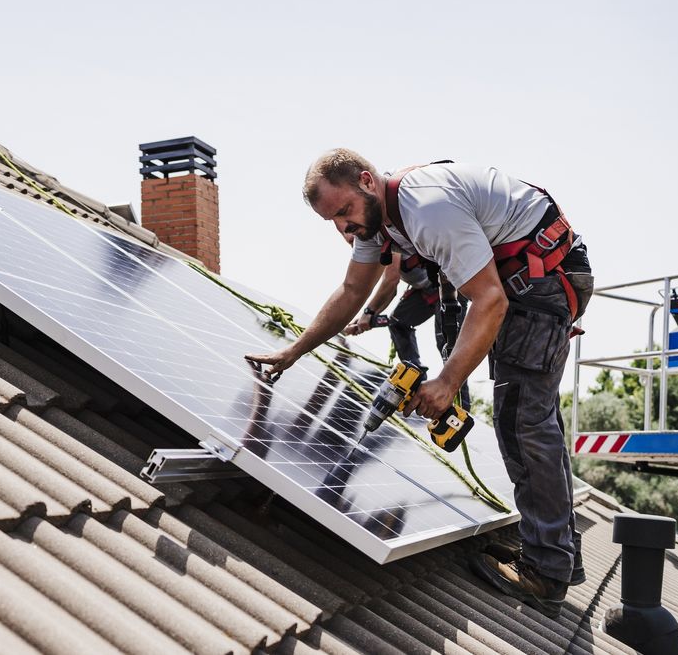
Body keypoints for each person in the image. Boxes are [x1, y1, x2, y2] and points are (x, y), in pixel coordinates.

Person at [247, 149, 594, 617]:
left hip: (542, 281)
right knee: (533, 422)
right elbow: (353, 292)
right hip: (527, 281)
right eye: (333, 221)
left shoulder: (425, 209)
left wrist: (448, 381)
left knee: (523, 423)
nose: (345, 228)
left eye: (345, 211)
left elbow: (489, 299)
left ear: (367, 182)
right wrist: (295, 350)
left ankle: (547, 572)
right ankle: (559, 559)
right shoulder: (378, 224)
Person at [341, 246, 470, 405]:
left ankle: (460, 406)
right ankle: (415, 377)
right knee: (397, 322)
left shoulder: (386, 239)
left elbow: (391, 281)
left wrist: (368, 312)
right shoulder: (371, 248)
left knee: (447, 344)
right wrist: (367, 317)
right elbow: (390, 292)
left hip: (448, 284)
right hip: (426, 289)